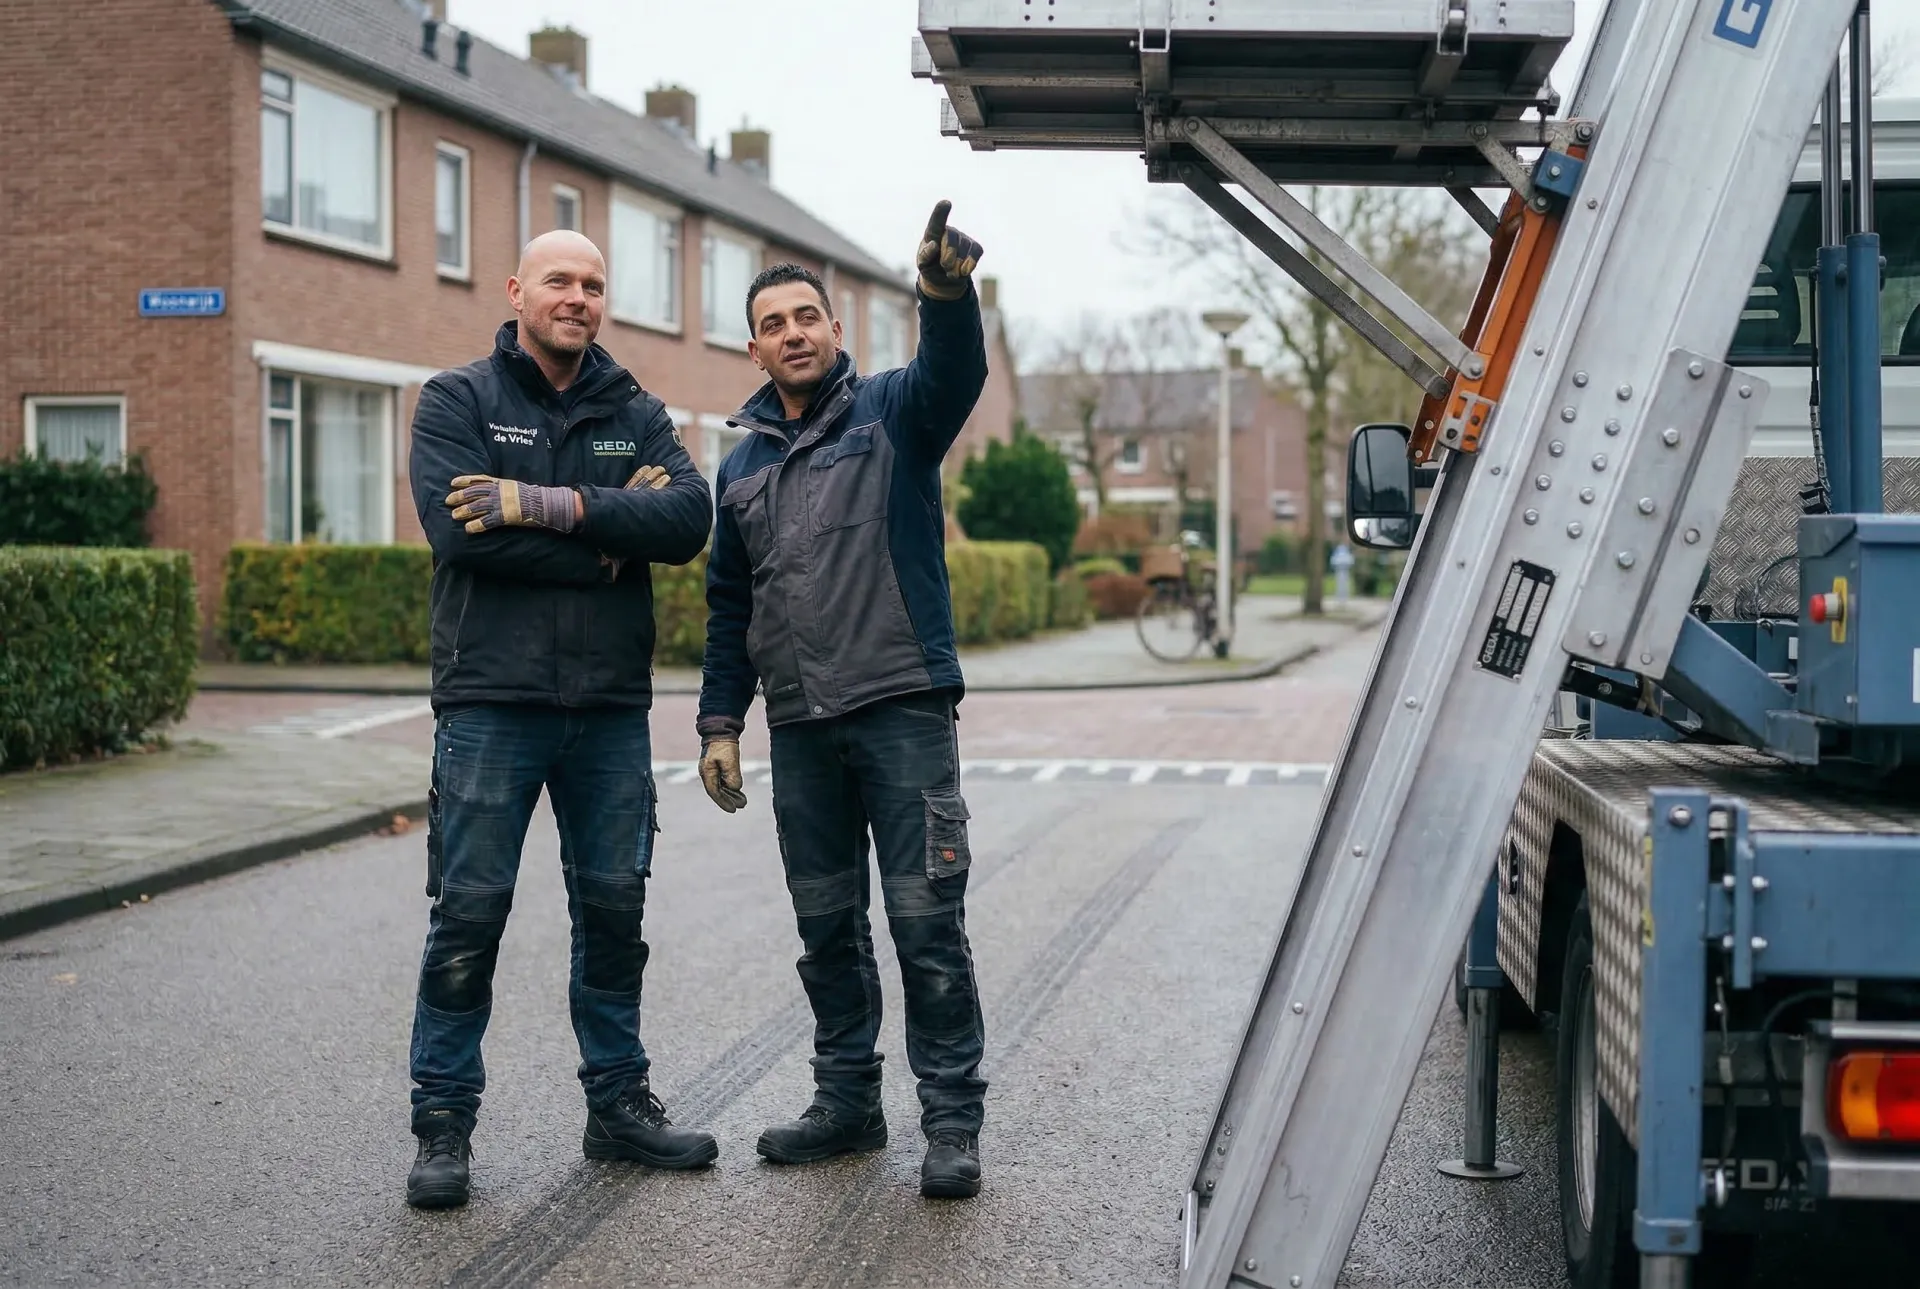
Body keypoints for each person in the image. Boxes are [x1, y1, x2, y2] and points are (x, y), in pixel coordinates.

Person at [402, 230, 715, 1209]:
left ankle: (618, 1105)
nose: (577, 297)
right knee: (469, 912)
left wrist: (543, 505)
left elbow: (690, 519)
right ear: (517, 291)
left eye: (592, 284)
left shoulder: (634, 406)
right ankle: (443, 1124)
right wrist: (611, 537)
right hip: (492, 702)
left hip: (610, 710)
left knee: (616, 912)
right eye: (559, 281)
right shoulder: (458, 400)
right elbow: (463, 535)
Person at [694, 202, 992, 1199]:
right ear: (755, 344)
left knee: (926, 926)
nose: (793, 334)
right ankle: (848, 1102)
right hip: (803, 729)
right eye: (774, 323)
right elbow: (731, 602)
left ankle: (950, 1119)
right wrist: (720, 723)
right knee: (826, 927)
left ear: (835, 330)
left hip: (902, 708)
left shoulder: (895, 413)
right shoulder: (738, 467)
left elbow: (958, 372)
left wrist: (944, 297)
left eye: (806, 317)